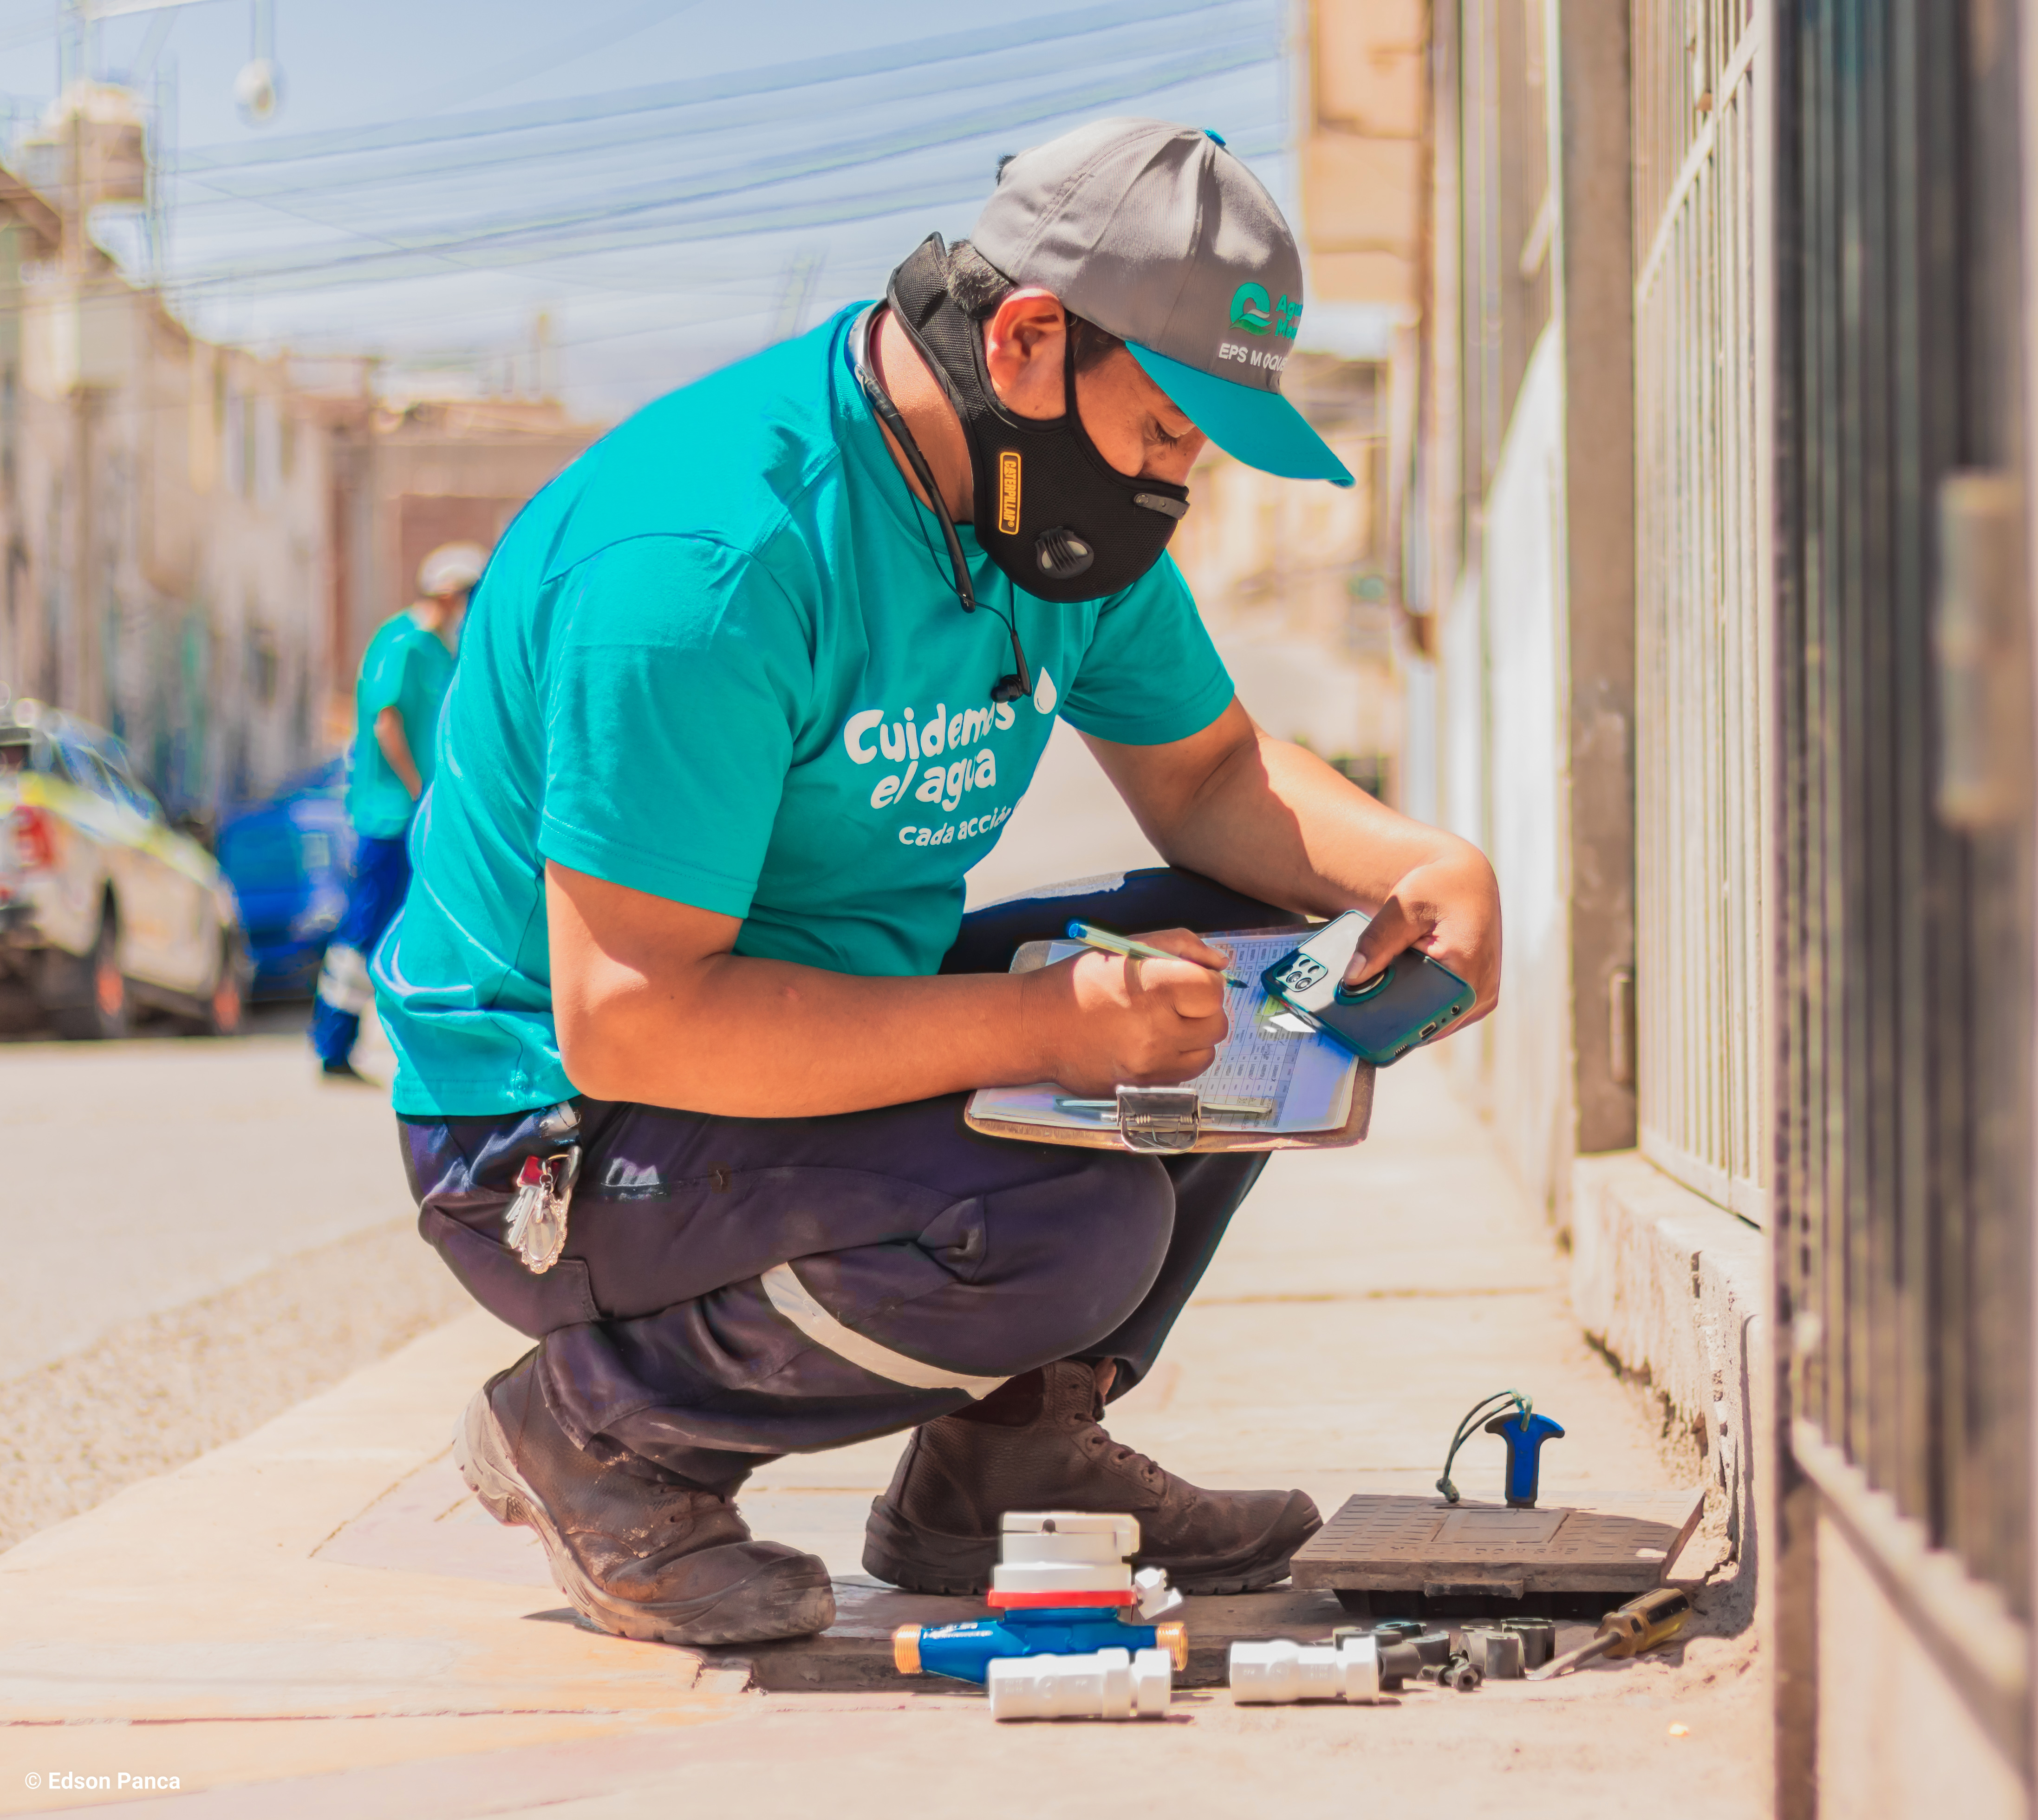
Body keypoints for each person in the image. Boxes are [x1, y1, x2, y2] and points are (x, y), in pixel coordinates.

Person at [375, 120, 1503, 1648]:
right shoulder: (709, 561)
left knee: (1253, 970)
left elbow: (1211, 778)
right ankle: (596, 1428)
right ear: (1031, 341)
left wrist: (1418, 864)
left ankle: (1005, 1461)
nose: (1180, 482)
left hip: (797, 1029)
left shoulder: (1048, 519)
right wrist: (1042, 1026)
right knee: (1066, 1222)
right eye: (1168, 431)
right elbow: (632, 1020)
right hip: (556, 1133)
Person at [313, 540, 482, 1082]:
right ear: (451, 593)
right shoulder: (404, 643)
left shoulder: (442, 651)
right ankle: (332, 1041)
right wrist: (416, 789)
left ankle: (411, 1043)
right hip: (393, 815)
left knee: (408, 927)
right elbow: (387, 719)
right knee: (367, 923)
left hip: (422, 816)